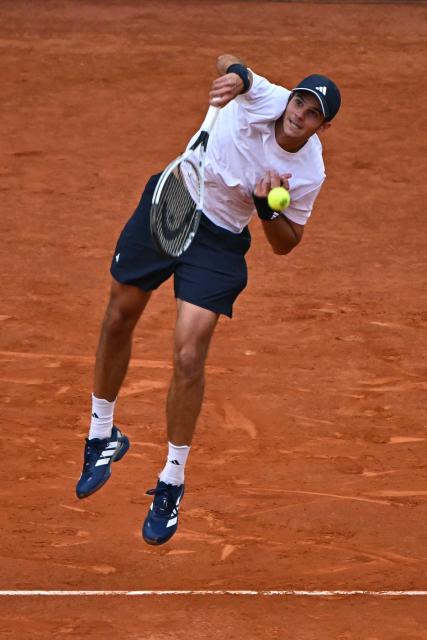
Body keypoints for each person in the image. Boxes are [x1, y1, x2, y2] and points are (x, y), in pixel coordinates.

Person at [75, 54, 341, 546]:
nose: (298, 114)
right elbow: (230, 61)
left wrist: (265, 210)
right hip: (176, 197)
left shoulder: (310, 169)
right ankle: (102, 433)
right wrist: (235, 76)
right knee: (118, 316)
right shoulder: (265, 95)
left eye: (311, 115)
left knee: (188, 353)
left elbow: (287, 242)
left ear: (321, 126)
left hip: (220, 241)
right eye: (299, 102)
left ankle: (172, 482)